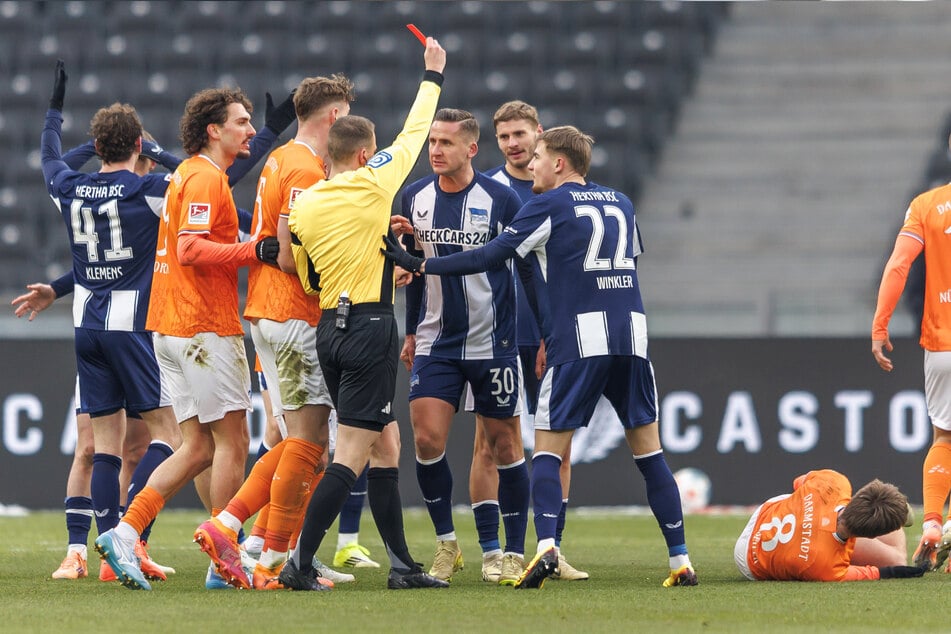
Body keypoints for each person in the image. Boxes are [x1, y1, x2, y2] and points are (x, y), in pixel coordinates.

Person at [382, 125, 698, 589]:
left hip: (579, 340)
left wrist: (423, 263)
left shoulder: (547, 204)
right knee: (650, 455)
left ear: (560, 164)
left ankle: (546, 548)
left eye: (540, 157)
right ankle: (680, 561)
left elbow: (492, 254)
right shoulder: (621, 202)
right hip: (632, 337)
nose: (531, 164)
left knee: (547, 452)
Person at [279, 36, 449, 592]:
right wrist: (433, 73)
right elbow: (416, 129)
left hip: (330, 326)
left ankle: (402, 565)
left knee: (386, 444)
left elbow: (303, 274)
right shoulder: (376, 181)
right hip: (371, 328)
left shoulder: (305, 204)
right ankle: (299, 563)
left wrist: (376, 243)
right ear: (362, 154)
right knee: (350, 454)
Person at [95, 85, 280, 591]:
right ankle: (227, 551)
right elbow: (192, 249)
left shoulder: (188, 175)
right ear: (214, 130)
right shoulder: (203, 178)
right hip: (201, 326)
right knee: (233, 440)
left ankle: (126, 532)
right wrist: (255, 252)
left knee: (196, 446)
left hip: (172, 326)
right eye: (241, 122)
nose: (249, 129)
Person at [194, 74, 356, 590]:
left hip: (266, 312)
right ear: (333, 117)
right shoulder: (308, 170)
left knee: (299, 441)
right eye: (346, 115)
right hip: (293, 312)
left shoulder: (281, 157)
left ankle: (269, 548)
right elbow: (290, 253)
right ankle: (242, 536)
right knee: (306, 444)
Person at [40, 62, 184, 584]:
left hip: (85, 325)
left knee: (105, 447)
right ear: (138, 148)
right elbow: (198, 176)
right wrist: (156, 150)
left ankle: (109, 554)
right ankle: (126, 532)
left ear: (98, 147)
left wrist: (56, 112)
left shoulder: (70, 188)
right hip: (131, 326)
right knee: (172, 437)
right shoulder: (149, 188)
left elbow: (49, 157)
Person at [398, 107, 529, 584]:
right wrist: (411, 330)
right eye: (432, 142)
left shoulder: (502, 199)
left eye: (446, 143)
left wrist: (540, 334)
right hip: (436, 340)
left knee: (505, 444)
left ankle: (508, 552)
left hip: (493, 342)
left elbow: (527, 267)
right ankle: (447, 544)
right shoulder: (414, 198)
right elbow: (413, 271)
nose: (435, 150)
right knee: (428, 439)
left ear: (471, 149)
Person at [473, 99, 587, 582]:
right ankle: (492, 552)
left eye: (521, 135)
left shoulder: (562, 193)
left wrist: (551, 328)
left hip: (549, 334)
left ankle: (550, 549)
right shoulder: (487, 191)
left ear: (539, 135)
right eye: (504, 137)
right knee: (490, 443)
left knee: (557, 447)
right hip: (498, 332)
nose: (514, 144)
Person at [872, 172, 951, 571]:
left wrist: (880, 323)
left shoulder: (925, 206)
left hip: (942, 344)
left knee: (944, 437)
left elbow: (899, 265)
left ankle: (935, 523)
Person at [734, 469, 924, 581]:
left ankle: (879, 507)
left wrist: (811, 512)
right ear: (870, 536)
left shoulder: (836, 482)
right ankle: (891, 513)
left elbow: (798, 483)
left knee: (802, 499)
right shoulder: (827, 567)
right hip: (749, 563)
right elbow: (876, 571)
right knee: (897, 559)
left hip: (764, 517)